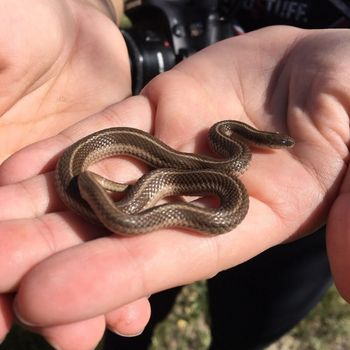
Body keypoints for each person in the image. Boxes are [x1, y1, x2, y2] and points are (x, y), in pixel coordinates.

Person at [0, 1, 349, 349]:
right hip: (179, 54)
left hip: (301, 230)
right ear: (265, 140)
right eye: (280, 142)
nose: (282, 144)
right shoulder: (226, 144)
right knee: (136, 302)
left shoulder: (233, 156)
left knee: (252, 322)